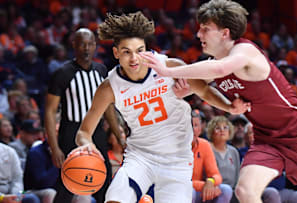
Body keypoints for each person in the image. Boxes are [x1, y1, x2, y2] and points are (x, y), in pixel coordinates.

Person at [140, 0, 297, 202]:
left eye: (205, 29)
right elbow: (201, 86)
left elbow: (220, 70)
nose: (199, 35)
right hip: (266, 137)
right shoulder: (214, 64)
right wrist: (187, 92)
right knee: (245, 192)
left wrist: (167, 70)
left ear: (225, 33)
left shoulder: (245, 52)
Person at [70, 12, 246, 203]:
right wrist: (87, 144)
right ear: (116, 53)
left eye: (139, 50)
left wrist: (229, 107)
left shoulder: (169, 67)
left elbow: (203, 91)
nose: (134, 58)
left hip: (177, 160)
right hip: (140, 157)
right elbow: (84, 132)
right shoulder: (109, 87)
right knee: (114, 200)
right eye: (126, 51)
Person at [44, 28, 122, 203]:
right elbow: (49, 112)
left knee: (104, 178)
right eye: (82, 44)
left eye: (89, 44)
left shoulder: (102, 71)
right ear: (74, 46)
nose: (86, 49)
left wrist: (118, 135)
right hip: (71, 132)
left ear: (95, 46)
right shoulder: (62, 73)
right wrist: (54, 147)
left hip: (98, 132)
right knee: (68, 183)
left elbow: (108, 108)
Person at [191, 110, 232, 203]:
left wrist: (211, 181)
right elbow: (181, 181)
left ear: (200, 128)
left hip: (200, 190)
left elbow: (216, 175)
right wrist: (205, 185)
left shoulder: (204, 145)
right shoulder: (175, 146)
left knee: (226, 190)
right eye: (189, 125)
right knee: (189, 191)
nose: (192, 129)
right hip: (179, 190)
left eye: (196, 125)